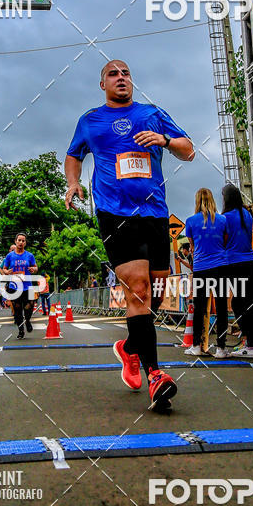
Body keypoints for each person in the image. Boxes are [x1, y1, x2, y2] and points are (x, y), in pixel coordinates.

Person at [65, 59, 194, 412]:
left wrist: (165, 139)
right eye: (112, 74)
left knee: (154, 292)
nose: (121, 78)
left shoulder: (153, 113)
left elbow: (189, 150)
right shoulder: (90, 120)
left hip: (154, 211)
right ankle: (156, 376)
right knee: (137, 288)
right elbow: (73, 154)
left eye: (125, 73)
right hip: (114, 212)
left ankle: (130, 347)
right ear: (102, 84)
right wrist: (73, 182)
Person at [185, 188, 229, 358]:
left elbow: (192, 246)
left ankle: (197, 345)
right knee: (222, 307)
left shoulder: (191, 221)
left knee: (200, 308)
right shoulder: (222, 220)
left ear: (197, 201)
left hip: (201, 267)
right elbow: (225, 241)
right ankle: (221, 348)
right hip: (220, 266)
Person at [222, 184, 253, 359]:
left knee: (238, 303)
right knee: (251, 303)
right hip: (250, 262)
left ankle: (250, 343)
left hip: (234, 263)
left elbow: (222, 242)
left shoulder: (224, 218)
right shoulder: (246, 214)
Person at [1, 233, 38, 339]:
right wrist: (6, 271)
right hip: (14, 286)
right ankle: (21, 330)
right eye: (19, 240)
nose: (21, 242)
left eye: (23, 241)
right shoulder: (10, 256)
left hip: (27, 285)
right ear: (15, 241)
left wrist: (33, 269)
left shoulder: (29, 255)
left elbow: (35, 267)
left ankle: (27, 320)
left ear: (25, 243)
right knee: (17, 308)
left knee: (30, 305)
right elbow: (4, 268)